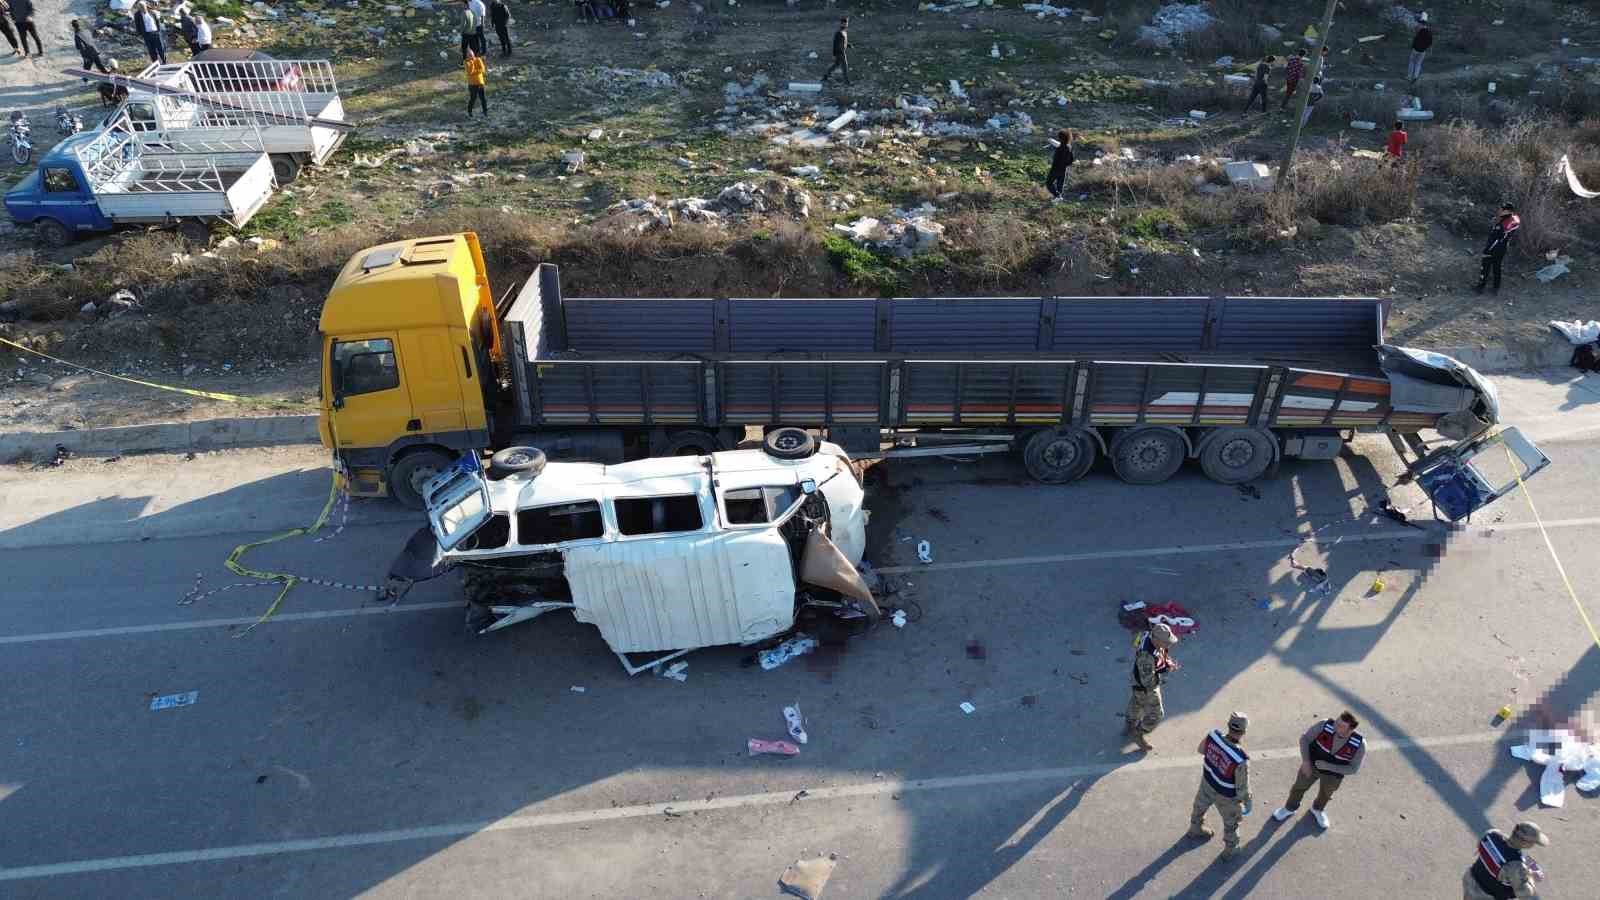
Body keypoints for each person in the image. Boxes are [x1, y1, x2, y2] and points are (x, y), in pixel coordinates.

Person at [1271, 710, 1365, 830]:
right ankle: (1290, 808)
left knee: (1326, 794)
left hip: (1333, 775)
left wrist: (1328, 766)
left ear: (1351, 730)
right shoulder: (1324, 725)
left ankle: (1317, 809)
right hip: (1311, 765)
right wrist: (1306, 761)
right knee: (1299, 787)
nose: (1335, 726)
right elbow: (1304, 739)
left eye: (1341, 726)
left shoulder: (1360, 744)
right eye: (1336, 722)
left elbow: (1353, 769)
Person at [1188, 713, 1251, 860]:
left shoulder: (1213, 735)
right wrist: (1248, 802)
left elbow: (1201, 750)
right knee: (1231, 822)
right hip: (1226, 796)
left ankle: (1195, 828)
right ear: (1244, 732)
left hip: (1208, 782)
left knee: (1199, 807)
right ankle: (1231, 849)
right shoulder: (1240, 758)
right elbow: (1242, 789)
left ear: (1228, 725)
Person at [1125, 621, 1179, 751]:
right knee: (1156, 714)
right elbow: (1148, 682)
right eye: (1166, 642)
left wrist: (1166, 662)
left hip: (1137, 679)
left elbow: (1159, 653)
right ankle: (1138, 733)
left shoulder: (1149, 637)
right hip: (1145, 686)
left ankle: (1130, 722)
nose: (1169, 644)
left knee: (1137, 702)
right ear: (1156, 640)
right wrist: (1165, 670)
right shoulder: (1146, 657)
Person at [1463, 821, 1548, 899]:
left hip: (1470, 879)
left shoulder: (1492, 833)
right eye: (1534, 842)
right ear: (1526, 843)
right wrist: (1531, 876)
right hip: (1486, 896)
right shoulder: (1516, 866)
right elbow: (1524, 894)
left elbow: (1483, 847)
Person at [1476, 203, 1520, 294]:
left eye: (1501, 209)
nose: (1499, 211)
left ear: (1507, 211)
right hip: (1503, 248)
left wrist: (1487, 250)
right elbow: (1515, 221)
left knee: (1485, 267)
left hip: (1495, 248)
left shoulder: (1501, 225)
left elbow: (1495, 240)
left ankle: (1480, 287)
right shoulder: (1514, 219)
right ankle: (1495, 288)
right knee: (1497, 267)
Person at [1045, 129, 1074, 200]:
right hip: (1063, 169)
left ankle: (1056, 195)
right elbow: (1071, 160)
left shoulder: (1059, 149)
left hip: (1055, 169)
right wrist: (1065, 165)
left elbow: (1055, 160)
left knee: (1049, 183)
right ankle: (1059, 198)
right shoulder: (1069, 147)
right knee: (1060, 185)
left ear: (1060, 138)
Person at [822, 16, 850, 86]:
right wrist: (834, 54)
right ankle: (847, 82)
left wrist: (848, 45)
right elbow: (835, 44)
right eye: (844, 23)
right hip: (840, 53)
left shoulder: (844, 32)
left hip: (842, 52)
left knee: (836, 65)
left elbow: (844, 42)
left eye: (846, 23)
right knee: (845, 67)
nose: (846, 24)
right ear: (841, 24)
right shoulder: (839, 33)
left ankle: (825, 76)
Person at [1409, 11, 1432, 83]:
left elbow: (1415, 40)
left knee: (1412, 62)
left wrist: (1413, 46)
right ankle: (1415, 76)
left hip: (1416, 49)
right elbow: (1430, 42)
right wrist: (1426, 48)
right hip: (1423, 51)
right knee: (1418, 64)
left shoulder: (1419, 31)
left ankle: (1409, 76)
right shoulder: (1429, 32)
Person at [464, 47, 487, 117]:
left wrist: (476, 70)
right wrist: (472, 63)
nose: (471, 56)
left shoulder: (478, 59)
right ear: (467, 55)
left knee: (483, 98)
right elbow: (470, 72)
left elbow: (483, 69)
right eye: (469, 55)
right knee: (473, 99)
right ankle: (469, 111)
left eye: (472, 54)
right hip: (472, 84)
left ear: (473, 54)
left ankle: (485, 111)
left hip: (480, 83)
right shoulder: (466, 62)